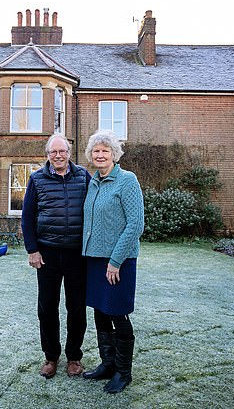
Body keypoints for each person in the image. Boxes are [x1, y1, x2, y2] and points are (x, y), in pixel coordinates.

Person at [21, 133, 91, 379]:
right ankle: (51, 357)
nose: (58, 156)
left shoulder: (83, 176)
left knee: (77, 308)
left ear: (69, 154)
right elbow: (27, 217)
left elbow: (96, 208)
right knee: (47, 308)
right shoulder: (37, 179)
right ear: (47, 155)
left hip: (77, 254)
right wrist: (32, 249)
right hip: (47, 254)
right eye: (54, 152)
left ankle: (74, 357)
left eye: (62, 152)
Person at [81, 130, 144, 394]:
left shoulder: (127, 180)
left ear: (114, 155)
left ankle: (123, 372)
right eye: (96, 151)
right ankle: (107, 364)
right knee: (100, 311)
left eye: (105, 150)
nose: (100, 154)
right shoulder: (93, 182)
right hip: (95, 260)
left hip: (119, 261)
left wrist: (115, 261)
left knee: (118, 312)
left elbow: (135, 224)